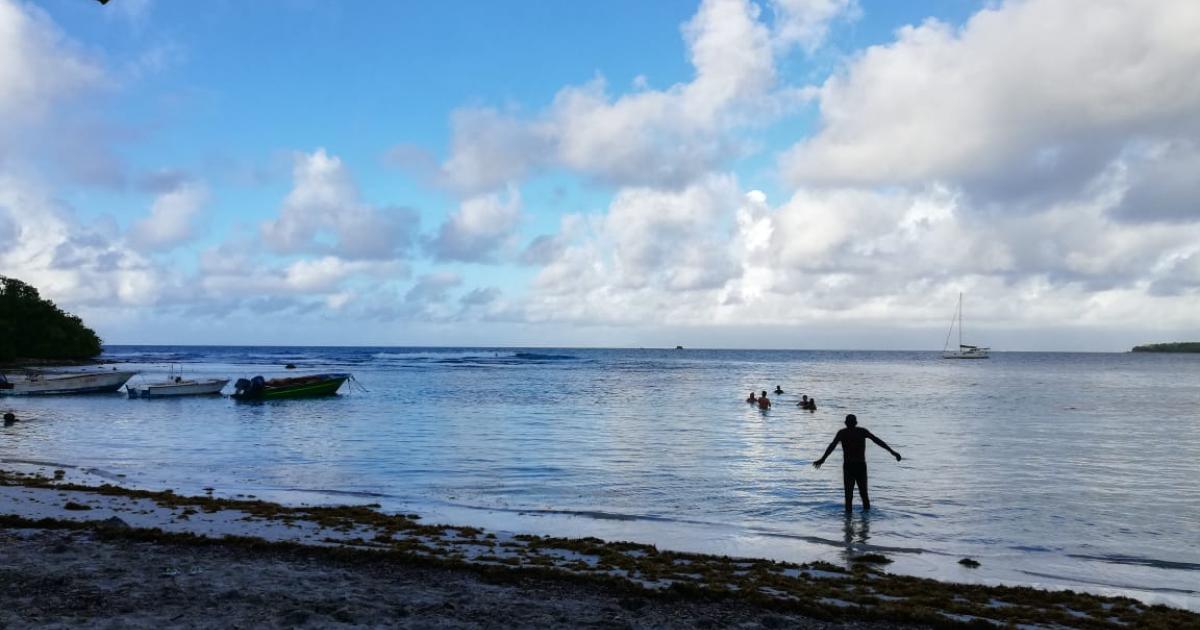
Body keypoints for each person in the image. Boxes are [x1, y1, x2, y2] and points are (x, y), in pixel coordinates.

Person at [813, 414, 901, 512]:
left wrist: (823, 459)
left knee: (848, 496)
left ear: (845, 423)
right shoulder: (861, 431)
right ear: (856, 423)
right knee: (864, 495)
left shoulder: (842, 433)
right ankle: (866, 523)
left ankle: (848, 522)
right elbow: (877, 441)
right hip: (860, 466)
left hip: (848, 467)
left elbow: (832, 446)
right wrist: (892, 451)